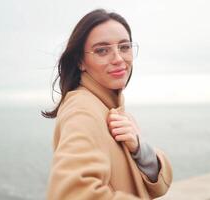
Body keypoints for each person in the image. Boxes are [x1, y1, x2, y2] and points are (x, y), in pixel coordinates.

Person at [42, 9, 173, 200]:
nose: (119, 58)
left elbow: (157, 185)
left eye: (124, 47)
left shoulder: (114, 111)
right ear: (80, 61)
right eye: (102, 50)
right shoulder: (82, 110)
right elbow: (71, 194)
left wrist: (139, 149)